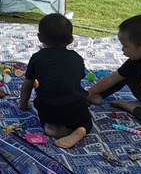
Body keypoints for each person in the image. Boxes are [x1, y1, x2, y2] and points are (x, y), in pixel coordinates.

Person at [18, 13, 92, 148]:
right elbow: (75, 80)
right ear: (71, 40)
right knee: (84, 117)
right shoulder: (77, 58)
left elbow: (27, 86)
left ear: (39, 38)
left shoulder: (37, 57)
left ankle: (52, 128)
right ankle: (81, 129)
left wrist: (23, 105)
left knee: (44, 107)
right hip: (74, 106)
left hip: (49, 108)